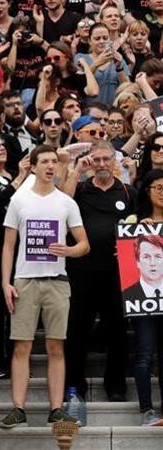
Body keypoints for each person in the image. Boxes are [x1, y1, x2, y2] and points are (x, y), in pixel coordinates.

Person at [0, 144, 91, 428]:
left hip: (57, 282)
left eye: (54, 161)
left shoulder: (66, 202)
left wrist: (69, 251)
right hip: (25, 281)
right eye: (45, 162)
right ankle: (18, 408)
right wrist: (5, 282)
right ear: (34, 166)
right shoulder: (19, 200)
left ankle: (55, 408)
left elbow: (84, 244)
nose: (51, 166)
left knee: (56, 346)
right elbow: (8, 246)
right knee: (21, 347)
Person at [60, 140, 133, 409]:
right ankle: (74, 385)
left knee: (116, 330)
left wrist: (130, 251)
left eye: (106, 159)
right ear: (90, 161)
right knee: (76, 330)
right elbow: (61, 206)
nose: (101, 164)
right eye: (96, 159)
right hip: (81, 272)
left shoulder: (127, 191)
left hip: (117, 274)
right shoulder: (79, 188)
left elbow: (140, 229)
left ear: (114, 160)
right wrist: (76, 172)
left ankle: (115, 385)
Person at [128, 170, 163, 426]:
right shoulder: (134, 221)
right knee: (144, 353)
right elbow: (124, 258)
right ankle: (147, 410)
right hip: (143, 300)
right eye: (158, 187)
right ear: (147, 190)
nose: (162, 191)